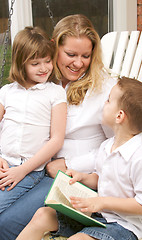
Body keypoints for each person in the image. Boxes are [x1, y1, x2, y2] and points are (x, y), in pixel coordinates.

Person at [0, 14, 116, 239]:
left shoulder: (106, 89)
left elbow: (117, 146)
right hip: (33, 168)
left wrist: (72, 163)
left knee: (8, 222)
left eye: (86, 56)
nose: (78, 63)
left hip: (73, 177)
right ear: (54, 48)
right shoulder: (42, 79)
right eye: (71, 54)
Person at [16, 77, 142, 240]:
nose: (103, 103)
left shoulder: (141, 159)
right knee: (43, 214)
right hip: (96, 215)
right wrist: (83, 177)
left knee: (79, 239)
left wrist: (102, 202)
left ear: (119, 116)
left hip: (122, 227)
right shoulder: (107, 146)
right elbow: (101, 178)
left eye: (108, 100)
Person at [0, 26, 67, 213]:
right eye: (35, 63)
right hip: (5, 163)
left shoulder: (55, 93)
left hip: (30, 169)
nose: (44, 68)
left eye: (47, 61)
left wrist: (22, 170)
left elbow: (56, 139)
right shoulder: (7, 92)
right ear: (21, 64)